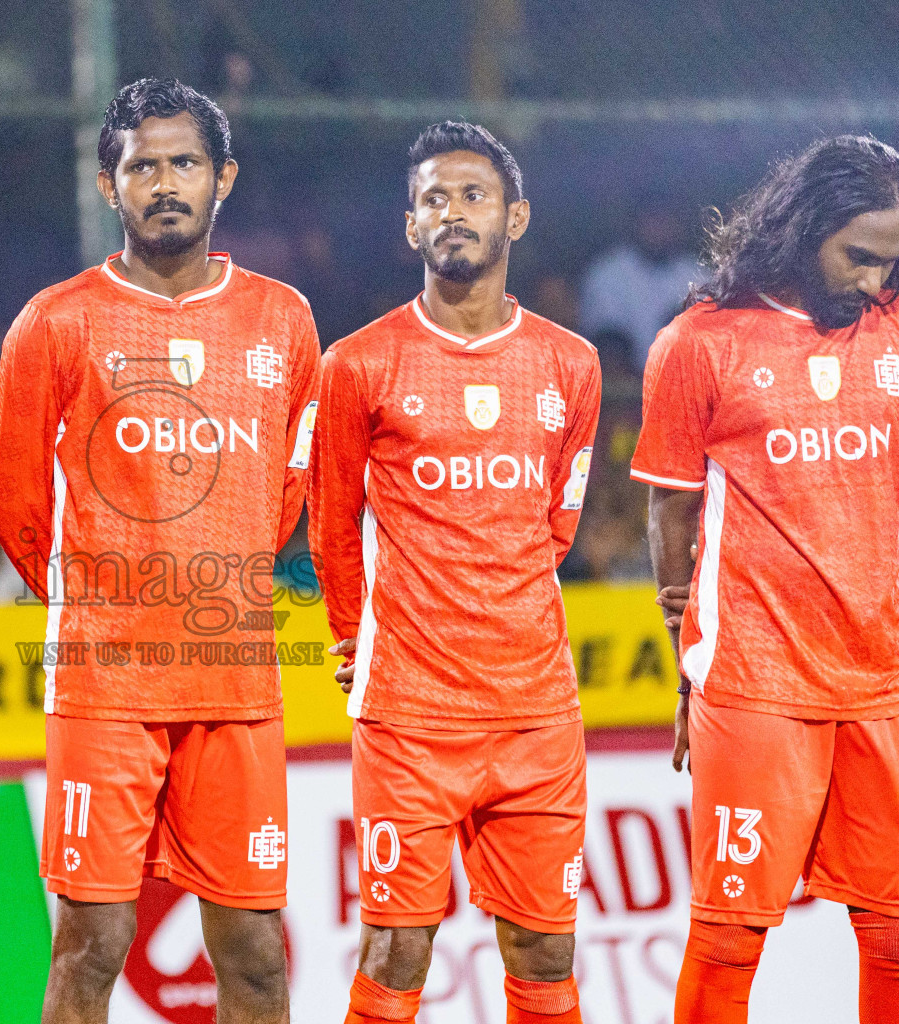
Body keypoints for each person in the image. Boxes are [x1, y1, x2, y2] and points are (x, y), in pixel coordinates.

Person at [0, 77, 319, 1024]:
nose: (164, 183)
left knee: (255, 956)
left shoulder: (283, 320)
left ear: (225, 179)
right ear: (107, 184)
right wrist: (101, 596)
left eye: (185, 163)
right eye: (142, 166)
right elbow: (10, 499)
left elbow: (291, 487)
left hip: (237, 680)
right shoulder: (56, 320)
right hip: (107, 684)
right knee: (91, 945)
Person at [630, 135, 899, 1024]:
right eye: (860, 257)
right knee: (731, 939)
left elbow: (898, 504)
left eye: (895, 261)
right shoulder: (701, 342)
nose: (880, 283)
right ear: (806, 230)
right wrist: (691, 660)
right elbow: (671, 515)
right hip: (758, 682)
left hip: (885, 681)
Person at [309, 122, 601, 1024]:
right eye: (433, 198)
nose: (452, 212)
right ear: (410, 227)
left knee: (546, 949)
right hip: (411, 717)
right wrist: (353, 638)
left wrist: (493, 602)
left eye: (472, 195)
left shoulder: (571, 364)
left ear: (515, 216)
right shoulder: (357, 363)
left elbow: (558, 524)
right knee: (397, 949)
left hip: (536, 710)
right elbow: (330, 525)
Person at [579, 193, 699, 371]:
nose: (659, 228)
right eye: (652, 219)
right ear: (636, 222)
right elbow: (607, 348)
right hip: (623, 392)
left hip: (684, 387)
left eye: (665, 220)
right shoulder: (607, 274)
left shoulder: (699, 275)